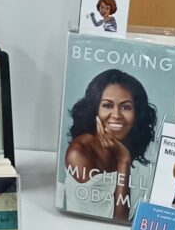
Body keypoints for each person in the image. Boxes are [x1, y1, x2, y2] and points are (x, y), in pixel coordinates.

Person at [64, 69, 158, 221]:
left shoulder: (135, 141)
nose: (116, 115)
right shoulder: (79, 152)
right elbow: (118, 220)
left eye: (126, 107)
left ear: (137, 113)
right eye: (107, 105)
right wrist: (123, 160)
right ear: (95, 109)